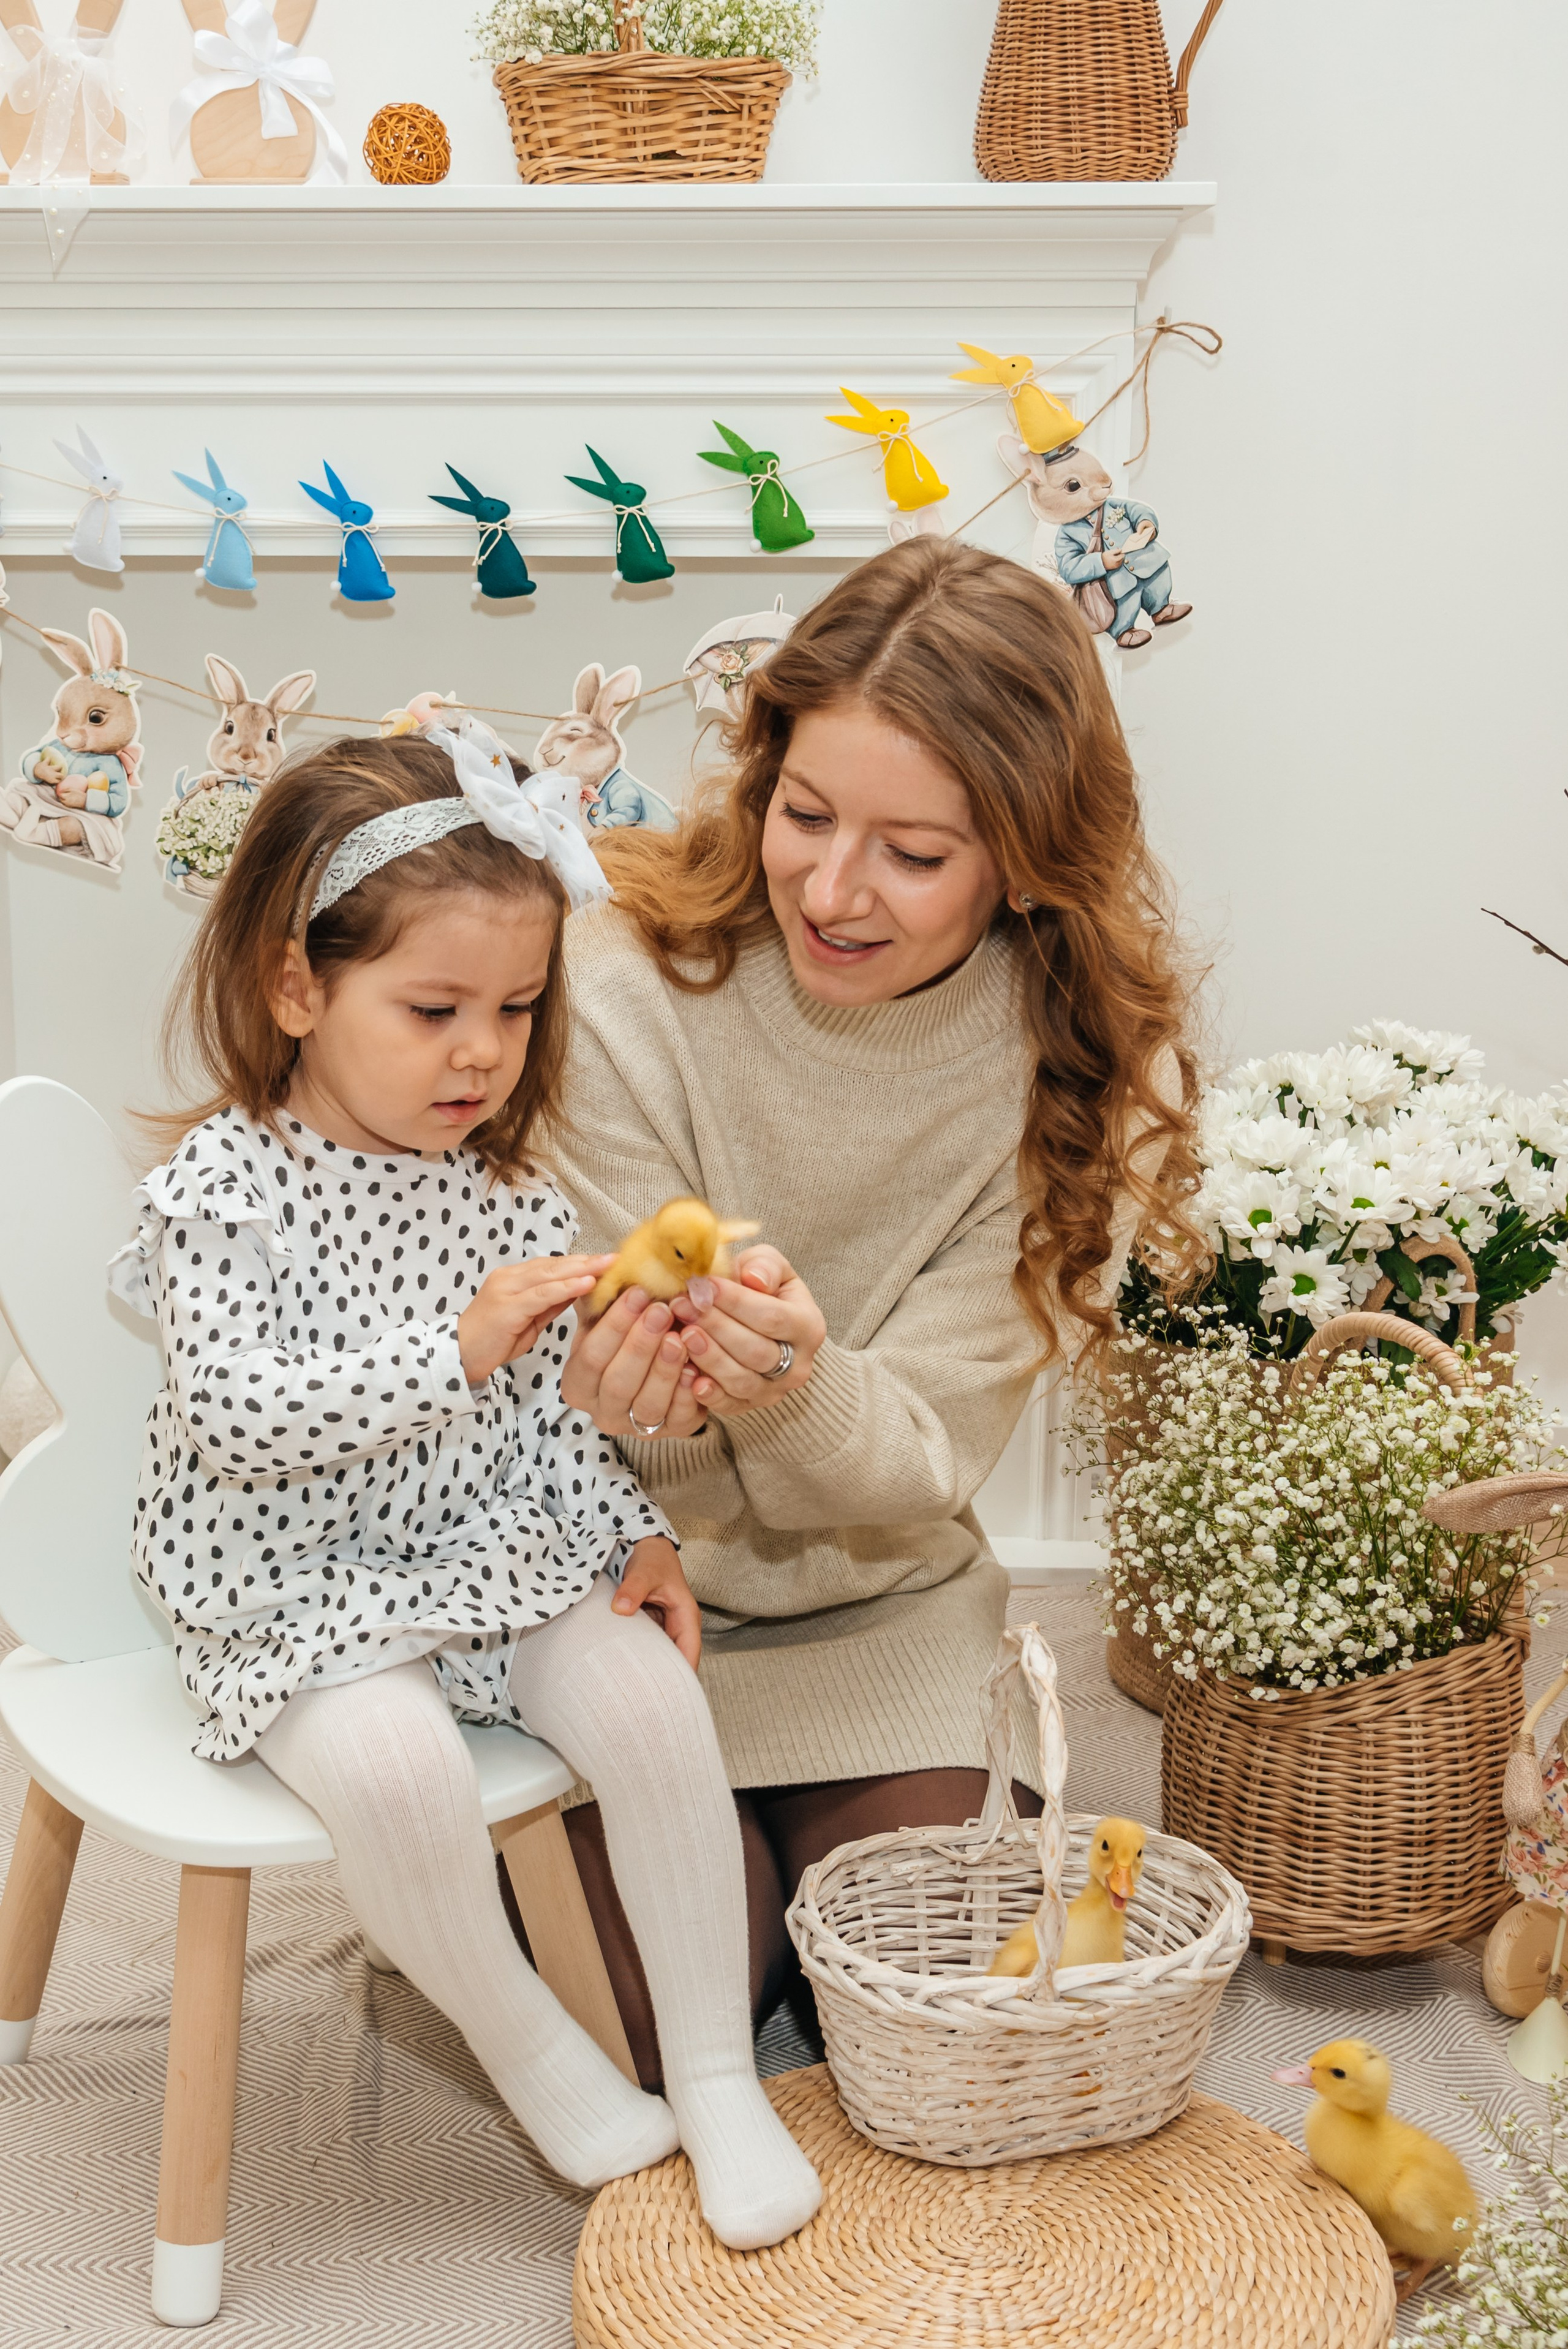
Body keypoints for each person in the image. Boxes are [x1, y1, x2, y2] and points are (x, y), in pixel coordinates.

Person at [108, 720, 820, 2251]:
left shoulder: (504, 1185)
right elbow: (236, 1414)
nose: (481, 1053)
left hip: (480, 1546)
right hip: (288, 1583)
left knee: (646, 1701)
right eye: (431, 1008)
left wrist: (635, 1532)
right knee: (400, 1772)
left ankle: (714, 2073)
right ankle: (535, 2056)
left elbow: (552, 1418)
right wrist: (453, 1343)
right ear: (299, 986)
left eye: (513, 1007)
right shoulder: (223, 1192)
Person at [546, 537, 1200, 2085]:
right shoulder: (615, 984)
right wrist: (613, 1395)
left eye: (911, 852)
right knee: (647, 2033)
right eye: (804, 815)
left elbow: (916, 1463)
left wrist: (782, 1384)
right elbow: (613, 1441)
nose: (833, 890)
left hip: (884, 1609)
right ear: (759, 775)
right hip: (618, 1605)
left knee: (940, 2014)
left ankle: (784, 1872)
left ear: (1025, 858)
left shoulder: (1065, 1067)